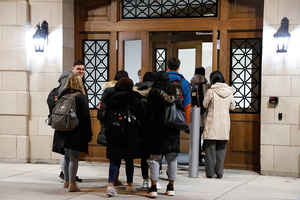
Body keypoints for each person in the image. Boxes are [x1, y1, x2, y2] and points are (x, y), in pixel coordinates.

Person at [103, 77, 146, 197]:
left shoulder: (111, 98)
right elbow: (142, 116)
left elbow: (105, 116)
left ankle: (110, 185)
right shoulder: (134, 98)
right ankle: (129, 186)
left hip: (114, 132)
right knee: (129, 160)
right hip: (129, 132)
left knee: (114, 160)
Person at [146, 71, 184, 198]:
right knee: (172, 159)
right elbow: (181, 109)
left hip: (157, 130)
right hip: (173, 129)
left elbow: (150, 114)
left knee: (155, 159)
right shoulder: (175, 92)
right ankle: (171, 187)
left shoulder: (153, 93)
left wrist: (147, 128)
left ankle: (153, 188)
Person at [52, 74, 93, 192]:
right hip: (75, 130)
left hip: (62, 129)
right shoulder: (81, 97)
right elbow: (85, 116)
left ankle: (66, 181)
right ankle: (72, 184)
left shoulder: (62, 94)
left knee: (66, 156)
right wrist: (88, 133)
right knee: (74, 157)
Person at [97, 70, 129, 186]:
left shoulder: (107, 92)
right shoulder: (124, 93)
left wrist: (104, 124)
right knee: (121, 154)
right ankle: (115, 179)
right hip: (121, 127)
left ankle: (114, 178)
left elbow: (101, 110)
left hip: (108, 126)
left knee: (112, 154)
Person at [57, 60, 86, 183]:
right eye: (79, 69)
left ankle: (68, 178)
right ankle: (68, 178)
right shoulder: (68, 82)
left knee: (68, 154)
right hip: (71, 124)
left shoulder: (73, 83)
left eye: (83, 69)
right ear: (72, 68)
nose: (81, 71)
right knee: (71, 155)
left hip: (66, 123)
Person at [202, 71, 235, 179]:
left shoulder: (211, 91)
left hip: (212, 122)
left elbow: (204, 104)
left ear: (212, 80)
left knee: (210, 149)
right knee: (221, 149)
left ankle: (210, 173)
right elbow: (232, 106)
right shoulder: (229, 91)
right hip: (224, 123)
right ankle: (219, 172)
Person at [134, 72, 162, 190]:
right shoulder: (155, 93)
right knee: (155, 155)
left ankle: (145, 180)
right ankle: (155, 180)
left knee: (144, 156)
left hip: (141, 127)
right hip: (154, 127)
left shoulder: (136, 92)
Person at [190, 67, 211, 165]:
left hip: (194, 115)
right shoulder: (208, 85)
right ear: (204, 74)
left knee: (195, 137)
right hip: (206, 114)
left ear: (194, 73)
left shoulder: (190, 84)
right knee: (206, 136)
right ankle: (204, 152)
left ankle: (196, 157)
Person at [166, 57, 191, 128]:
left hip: (161, 117)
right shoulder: (184, 82)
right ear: (179, 67)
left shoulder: (161, 79)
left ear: (167, 66)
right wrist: (186, 124)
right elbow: (187, 105)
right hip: (177, 117)